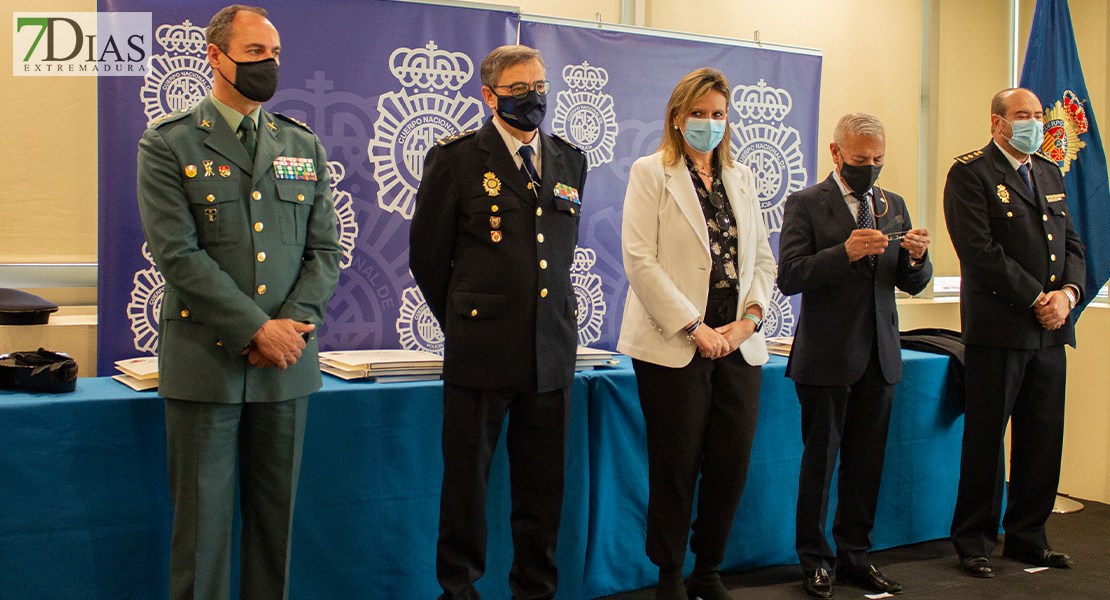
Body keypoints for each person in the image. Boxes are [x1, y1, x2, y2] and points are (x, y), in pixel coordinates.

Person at [135, 5, 342, 599]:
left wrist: (293, 328)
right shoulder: (168, 142)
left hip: (287, 366)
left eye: (274, 54)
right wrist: (258, 329)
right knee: (201, 533)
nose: (268, 64)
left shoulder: (301, 142)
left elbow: (324, 249)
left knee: (273, 529)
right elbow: (177, 255)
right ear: (215, 56)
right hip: (208, 362)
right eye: (254, 53)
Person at [409, 45, 587, 600]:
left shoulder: (568, 159)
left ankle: (535, 591)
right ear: (489, 95)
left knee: (542, 493)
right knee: (467, 491)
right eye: (518, 90)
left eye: (539, 86)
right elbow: (428, 259)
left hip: (550, 351)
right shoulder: (458, 158)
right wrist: (467, 322)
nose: (533, 98)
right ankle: (458, 591)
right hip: (480, 352)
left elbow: (557, 255)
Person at [617, 68, 776, 600]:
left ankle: (708, 569)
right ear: (678, 117)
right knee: (675, 465)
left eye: (719, 114)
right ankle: (668, 574)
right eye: (700, 114)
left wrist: (750, 319)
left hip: (738, 343)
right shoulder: (651, 172)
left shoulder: (742, 177)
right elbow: (640, 261)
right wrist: (695, 327)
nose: (710, 123)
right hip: (675, 344)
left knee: (730, 464)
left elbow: (762, 261)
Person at [778, 113, 932, 598]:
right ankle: (815, 560)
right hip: (826, 355)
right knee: (820, 463)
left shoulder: (893, 204)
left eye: (878, 159)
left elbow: (910, 284)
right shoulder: (805, 203)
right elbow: (790, 276)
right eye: (861, 159)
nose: (870, 167)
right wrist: (843, 252)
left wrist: (918, 258)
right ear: (836, 152)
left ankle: (855, 556)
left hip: (881, 355)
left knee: (867, 465)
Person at [944, 87, 1084, 578]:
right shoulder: (970, 173)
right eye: (1022, 115)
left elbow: (1071, 243)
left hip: (1050, 333)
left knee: (1042, 439)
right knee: (985, 441)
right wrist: (1036, 299)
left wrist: (1067, 295)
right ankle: (975, 540)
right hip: (1000, 331)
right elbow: (978, 251)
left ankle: (1028, 535)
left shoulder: (1047, 170)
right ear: (996, 122)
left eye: (1039, 115)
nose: (1034, 122)